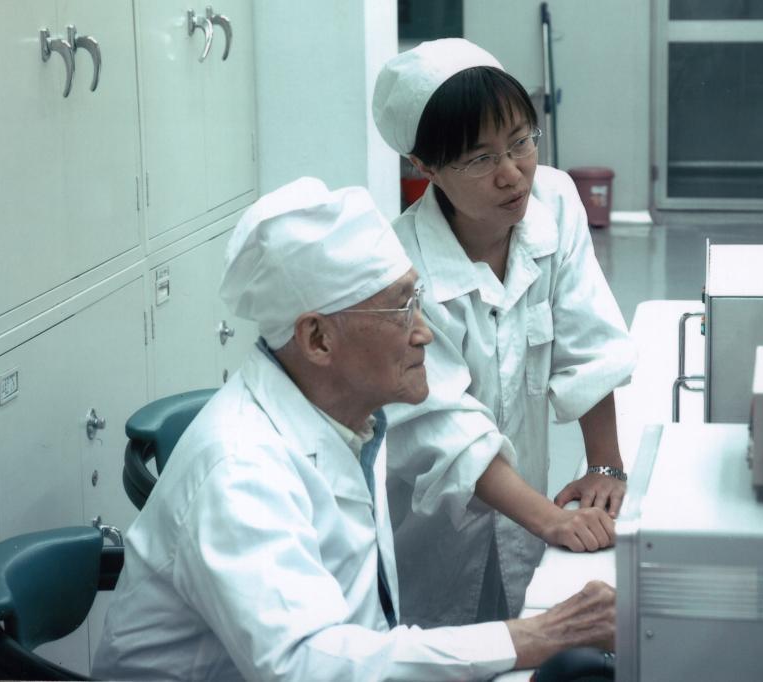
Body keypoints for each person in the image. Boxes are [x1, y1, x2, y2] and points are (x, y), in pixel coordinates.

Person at [92, 177, 615, 682]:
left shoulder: (352, 415)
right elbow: (306, 666)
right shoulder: (241, 472)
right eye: (401, 309)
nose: (424, 332)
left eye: (418, 298)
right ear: (318, 339)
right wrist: (532, 636)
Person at [372, 38, 638, 629]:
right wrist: (553, 519)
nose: (512, 174)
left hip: (527, 506)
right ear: (426, 167)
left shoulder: (555, 201)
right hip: (435, 529)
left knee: (528, 626)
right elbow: (445, 430)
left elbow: (588, 340)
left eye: (521, 142)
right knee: (451, 644)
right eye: (479, 159)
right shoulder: (401, 267)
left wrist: (606, 467)